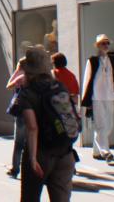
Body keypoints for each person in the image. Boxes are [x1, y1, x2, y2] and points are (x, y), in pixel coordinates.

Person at [18, 46, 77, 202]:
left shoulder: (27, 93)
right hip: (65, 153)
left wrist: (32, 158)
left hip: (41, 154)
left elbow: (32, 127)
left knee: (30, 198)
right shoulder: (59, 87)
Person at [80, 34, 114, 161]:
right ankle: (105, 151)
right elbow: (87, 80)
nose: (106, 46)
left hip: (110, 95)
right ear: (98, 46)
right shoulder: (92, 61)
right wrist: (86, 99)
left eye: (107, 43)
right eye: (103, 43)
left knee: (109, 124)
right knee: (101, 125)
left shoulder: (112, 60)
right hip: (97, 96)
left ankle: (96, 151)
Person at [6, 57, 28, 178]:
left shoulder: (20, 76)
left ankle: (15, 168)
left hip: (21, 110)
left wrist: (16, 72)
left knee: (19, 141)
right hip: (34, 111)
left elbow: (8, 86)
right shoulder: (35, 76)